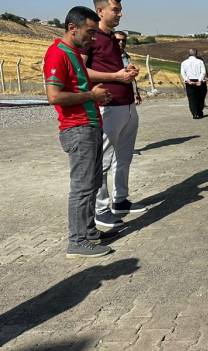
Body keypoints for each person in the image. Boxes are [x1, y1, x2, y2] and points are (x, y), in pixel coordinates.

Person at [44, 6, 116, 258]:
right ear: (72, 28)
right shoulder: (57, 54)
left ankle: (89, 232)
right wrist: (91, 95)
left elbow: (78, 90)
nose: (92, 38)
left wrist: (97, 98)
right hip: (77, 128)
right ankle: (77, 241)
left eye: (95, 33)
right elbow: (53, 96)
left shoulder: (74, 52)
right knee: (82, 187)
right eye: (89, 32)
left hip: (90, 125)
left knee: (92, 183)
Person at [82, 0, 146, 230]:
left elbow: (111, 68)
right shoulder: (91, 37)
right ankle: (101, 209)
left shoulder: (111, 38)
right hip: (108, 106)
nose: (120, 13)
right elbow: (82, 70)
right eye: (115, 9)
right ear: (100, 11)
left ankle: (121, 200)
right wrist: (115, 77)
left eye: (120, 9)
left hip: (126, 104)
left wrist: (126, 73)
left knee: (124, 157)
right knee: (104, 160)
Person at [113, 30, 142, 105]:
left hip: (128, 97)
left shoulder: (127, 57)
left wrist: (136, 94)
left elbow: (132, 79)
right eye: (118, 40)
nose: (121, 42)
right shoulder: (107, 57)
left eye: (123, 40)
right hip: (114, 98)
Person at [180, 49, 207, 119]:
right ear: (196, 54)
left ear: (188, 54)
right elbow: (203, 72)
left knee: (191, 98)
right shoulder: (200, 61)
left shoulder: (184, 62)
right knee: (200, 97)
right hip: (199, 81)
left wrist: (187, 80)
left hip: (189, 82)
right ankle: (199, 111)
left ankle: (194, 113)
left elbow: (183, 73)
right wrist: (199, 80)